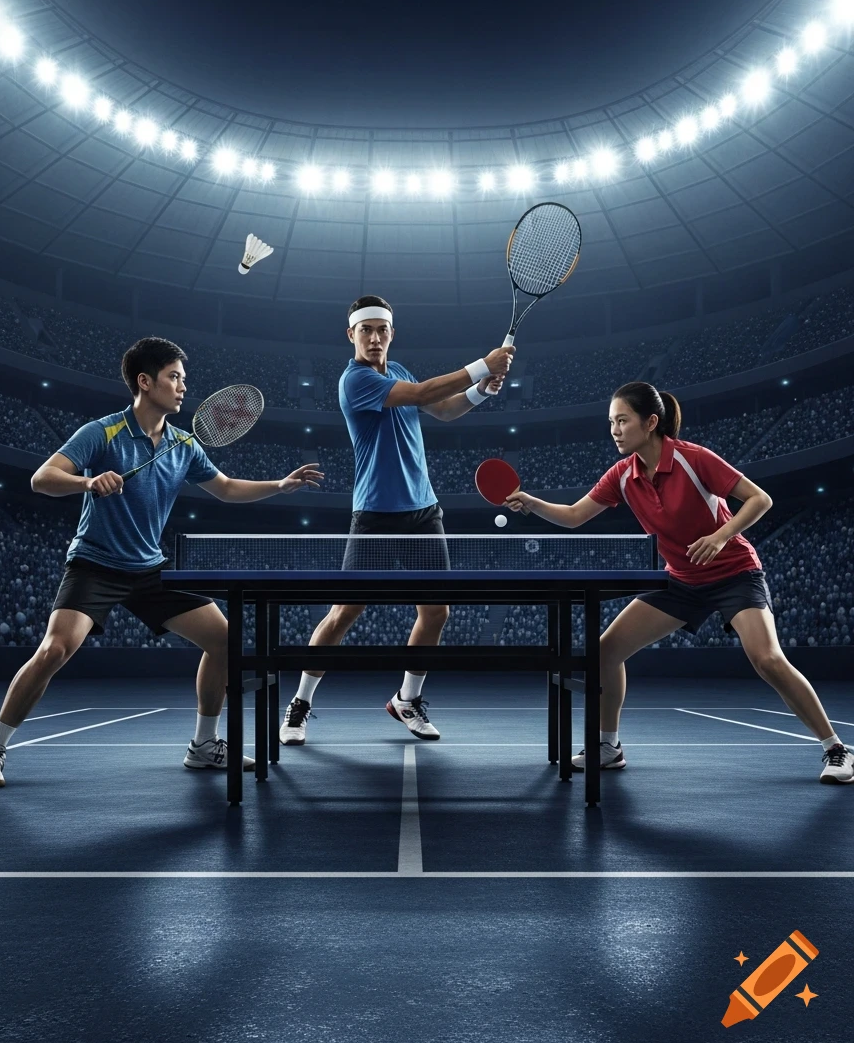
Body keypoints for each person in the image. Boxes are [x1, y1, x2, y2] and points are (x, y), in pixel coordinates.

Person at [0, 336, 322, 789]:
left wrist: (279, 485)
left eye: (183, 379)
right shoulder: (103, 432)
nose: (181, 387)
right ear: (145, 381)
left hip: (151, 570)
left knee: (225, 641)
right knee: (54, 649)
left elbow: (227, 488)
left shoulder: (183, 444)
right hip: (95, 565)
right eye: (174, 377)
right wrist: (87, 481)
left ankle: (203, 745)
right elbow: (43, 479)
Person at [505, 380, 854, 785]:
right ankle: (608, 746)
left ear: (650, 422)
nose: (615, 430)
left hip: (734, 573)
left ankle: (836, 749)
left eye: (623, 420)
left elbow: (760, 499)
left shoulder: (694, 458)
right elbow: (574, 515)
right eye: (611, 422)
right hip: (680, 580)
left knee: (767, 659)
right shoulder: (622, 474)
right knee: (603, 652)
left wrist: (721, 535)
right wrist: (531, 502)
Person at [279, 295, 513, 745]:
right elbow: (425, 394)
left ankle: (407, 699)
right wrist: (482, 365)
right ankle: (301, 703)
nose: (373, 337)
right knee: (345, 612)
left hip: (424, 513)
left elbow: (440, 408)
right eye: (364, 329)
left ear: (391, 333)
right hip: (374, 517)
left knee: (436, 612)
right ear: (351, 335)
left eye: (380, 329)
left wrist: (478, 393)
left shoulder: (400, 370)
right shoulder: (355, 381)